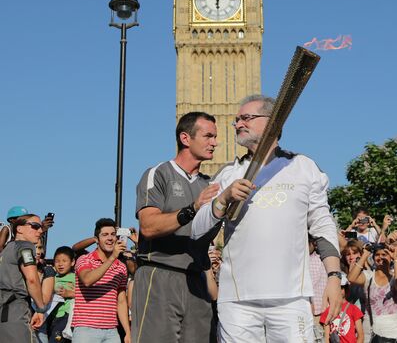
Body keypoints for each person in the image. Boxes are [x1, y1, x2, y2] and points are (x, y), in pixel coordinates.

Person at [192, 94, 342, 343]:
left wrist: (334, 278)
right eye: (236, 120)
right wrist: (223, 199)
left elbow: (322, 226)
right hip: (237, 301)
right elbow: (197, 230)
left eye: (246, 118)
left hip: (291, 298)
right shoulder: (228, 174)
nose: (238, 124)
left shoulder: (303, 167)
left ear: (273, 121)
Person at [132, 111, 220, 343]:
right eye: (208, 136)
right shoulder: (158, 173)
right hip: (159, 273)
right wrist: (193, 208)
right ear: (185, 138)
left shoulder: (211, 185)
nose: (215, 142)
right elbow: (148, 226)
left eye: (215, 137)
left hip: (197, 279)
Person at [72, 218, 130, 343]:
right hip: (86, 330)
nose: (110, 238)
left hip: (112, 331)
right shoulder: (84, 259)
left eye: (113, 234)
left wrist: (127, 331)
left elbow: (121, 301)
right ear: (97, 240)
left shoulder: (121, 267)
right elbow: (87, 280)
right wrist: (112, 257)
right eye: (105, 235)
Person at [0, 213, 46, 342]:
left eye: (41, 227)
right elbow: (32, 279)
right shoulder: (24, 246)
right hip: (15, 309)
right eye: (35, 226)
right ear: (19, 229)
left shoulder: (7, 249)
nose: (40, 230)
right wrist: (41, 309)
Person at [348, 244, 397, 342]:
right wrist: (365, 254)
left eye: (384, 254)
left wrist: (395, 259)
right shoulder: (368, 276)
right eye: (377, 254)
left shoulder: (393, 277)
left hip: (392, 329)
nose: (380, 257)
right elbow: (351, 278)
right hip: (370, 328)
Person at [320, 272, 364, 343]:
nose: (338, 290)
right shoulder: (328, 310)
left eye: (341, 288)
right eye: (336, 288)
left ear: (346, 289)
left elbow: (361, 335)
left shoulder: (354, 309)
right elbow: (326, 338)